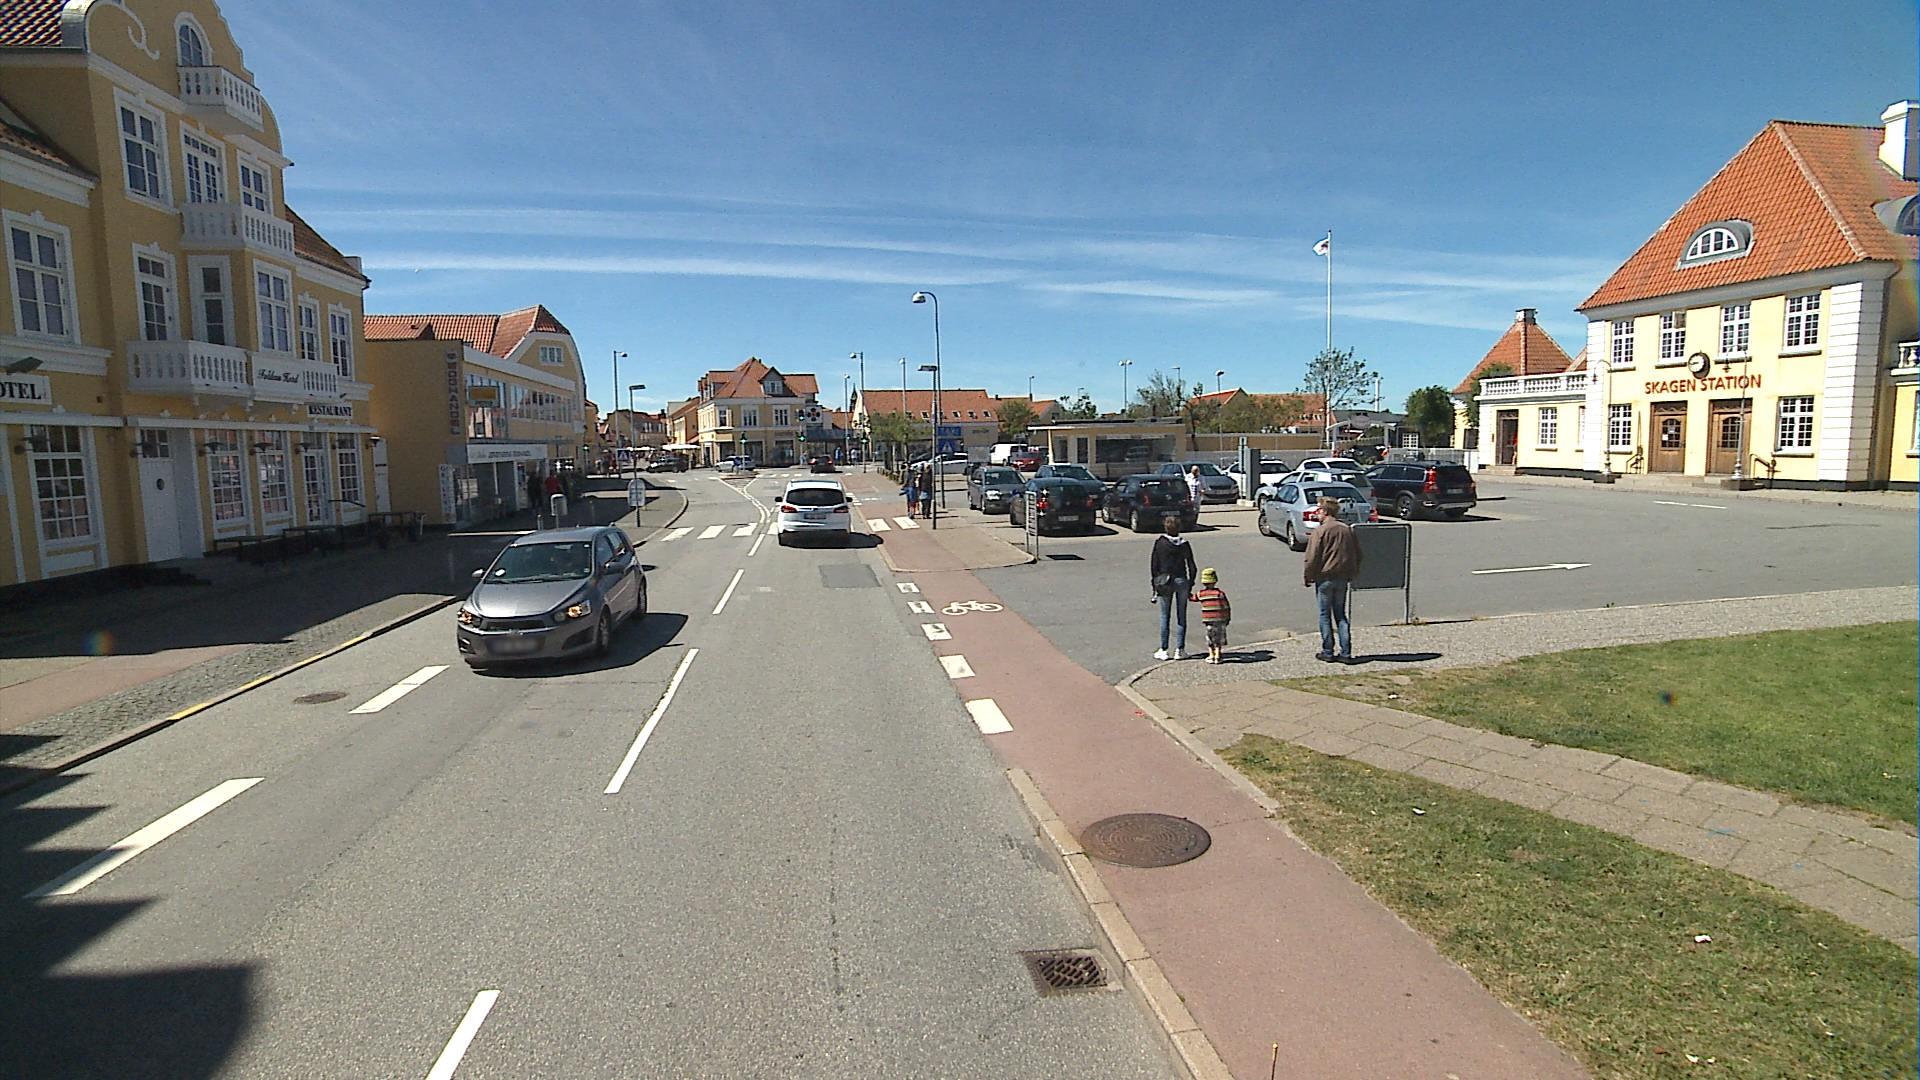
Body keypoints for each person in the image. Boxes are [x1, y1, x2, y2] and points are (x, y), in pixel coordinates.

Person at [1302, 495, 1363, 663]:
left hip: (1325, 578)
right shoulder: (1346, 529)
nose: (1316, 513)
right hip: (1342, 577)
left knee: (1324, 615)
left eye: (1318, 510)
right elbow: (1357, 554)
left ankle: (1327, 651)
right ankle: (1346, 652)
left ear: (1324, 511)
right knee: (1340, 614)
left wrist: (1308, 576)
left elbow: (1311, 557)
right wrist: (1353, 572)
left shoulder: (1320, 531)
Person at [1149, 514, 1197, 661]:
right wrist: (1190, 583)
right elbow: (1192, 566)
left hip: (1164, 581)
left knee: (1165, 615)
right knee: (1181, 616)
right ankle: (1180, 650)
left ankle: (1164, 649)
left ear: (1165, 527)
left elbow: (1154, 564)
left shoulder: (1160, 543)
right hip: (1181, 580)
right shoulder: (1184, 544)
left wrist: (1155, 583)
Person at [1193, 567, 1232, 664]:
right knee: (1219, 638)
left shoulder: (1201, 594)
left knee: (1210, 637)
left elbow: (1192, 598)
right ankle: (1218, 655)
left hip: (1208, 620)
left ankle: (1211, 655)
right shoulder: (1219, 594)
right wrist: (1227, 618)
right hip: (1220, 619)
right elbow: (1226, 607)